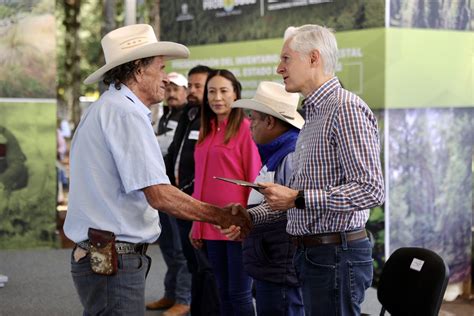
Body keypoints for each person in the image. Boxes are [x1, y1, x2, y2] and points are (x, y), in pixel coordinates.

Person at [63, 24, 251, 316]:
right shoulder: (125, 113)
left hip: (105, 254)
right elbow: (160, 195)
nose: (166, 78)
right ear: (138, 70)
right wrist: (221, 216)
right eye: (161, 68)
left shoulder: (110, 108)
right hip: (112, 258)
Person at [251, 25, 385, 315]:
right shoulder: (312, 116)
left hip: (335, 255)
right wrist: (248, 216)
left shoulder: (345, 109)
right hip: (316, 254)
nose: (278, 68)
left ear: (313, 58)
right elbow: (293, 196)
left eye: (286, 59)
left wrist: (299, 198)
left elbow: (371, 189)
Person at [219, 81, 305, 315]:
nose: (250, 125)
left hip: (280, 263)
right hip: (272, 260)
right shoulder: (278, 151)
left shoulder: (290, 156)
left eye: (254, 118)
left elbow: (289, 208)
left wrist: (249, 217)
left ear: (269, 121)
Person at [190, 69, 261, 316]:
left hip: (236, 227)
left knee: (239, 295)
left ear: (236, 94)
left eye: (223, 91)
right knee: (222, 292)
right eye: (211, 91)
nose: (216, 97)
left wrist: (247, 223)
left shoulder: (246, 130)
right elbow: (201, 184)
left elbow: (254, 182)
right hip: (210, 225)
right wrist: (197, 224)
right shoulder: (206, 130)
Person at [158, 65, 223, 316]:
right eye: (192, 86)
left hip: (198, 204)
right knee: (189, 260)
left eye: (199, 86)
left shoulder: (217, 120)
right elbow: (175, 151)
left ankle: (192, 304)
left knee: (203, 265)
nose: (194, 91)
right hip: (177, 198)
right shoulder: (188, 114)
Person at [146, 72, 192, 316]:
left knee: (181, 250)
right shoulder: (163, 117)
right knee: (167, 247)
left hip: (178, 192)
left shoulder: (189, 118)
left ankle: (184, 299)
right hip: (160, 191)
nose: (172, 93)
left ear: (186, 92)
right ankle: (171, 293)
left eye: (178, 89)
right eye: (169, 88)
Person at [155, 72, 188, 156]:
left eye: (176, 89)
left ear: (186, 91)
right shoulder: (163, 114)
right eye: (168, 90)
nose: (171, 94)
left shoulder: (190, 115)